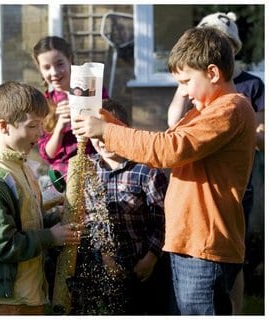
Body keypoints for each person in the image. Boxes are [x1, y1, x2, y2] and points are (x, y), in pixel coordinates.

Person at [72, 27, 256, 315]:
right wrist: (106, 122)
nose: (181, 91)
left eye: (185, 82)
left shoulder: (229, 109)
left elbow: (168, 149)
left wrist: (107, 130)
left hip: (204, 249)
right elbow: (161, 144)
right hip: (190, 245)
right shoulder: (204, 111)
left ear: (212, 73)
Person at [166, 12, 264, 314]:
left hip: (223, 196)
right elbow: (174, 131)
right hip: (193, 215)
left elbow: (173, 147)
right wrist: (185, 89)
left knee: (225, 268)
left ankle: (236, 308)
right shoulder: (195, 89)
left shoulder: (243, 93)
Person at [0, 81, 81, 315]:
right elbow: (4, 244)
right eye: (33, 126)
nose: (40, 133)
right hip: (5, 300)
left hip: (29, 293)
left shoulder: (23, 168)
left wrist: (56, 222)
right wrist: (50, 237)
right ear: (4, 126)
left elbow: (26, 224)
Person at [68, 99, 171, 315]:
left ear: (123, 132)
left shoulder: (147, 171)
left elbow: (164, 220)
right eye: (95, 136)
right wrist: (106, 256)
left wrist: (150, 259)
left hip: (147, 265)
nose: (101, 142)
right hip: (107, 265)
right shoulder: (89, 169)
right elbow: (92, 218)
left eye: (106, 134)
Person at [32, 36, 109, 180]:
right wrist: (59, 128)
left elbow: (110, 127)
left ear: (70, 60)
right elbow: (48, 155)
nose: (54, 72)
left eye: (59, 64)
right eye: (47, 67)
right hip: (63, 177)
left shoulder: (92, 88)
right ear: (40, 69)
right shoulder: (44, 104)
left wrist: (85, 109)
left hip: (96, 170)